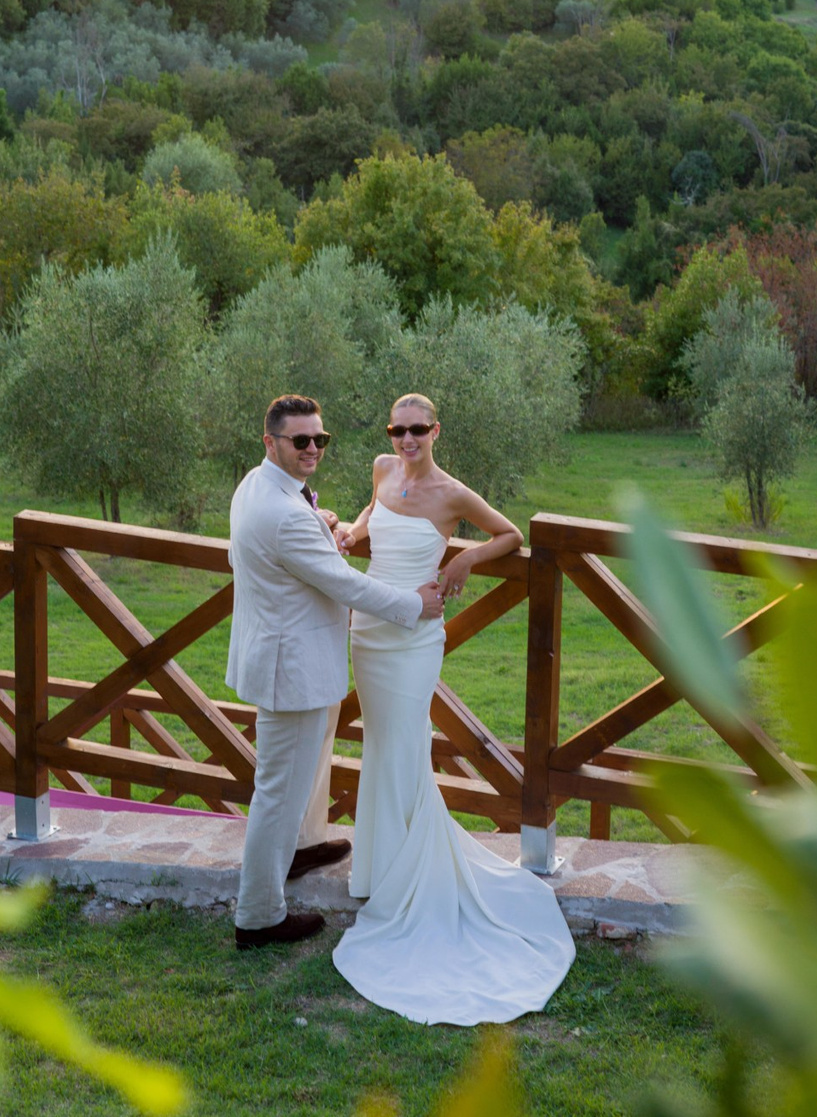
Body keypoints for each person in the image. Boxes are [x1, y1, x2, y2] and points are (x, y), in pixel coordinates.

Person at [323, 391, 577, 1023]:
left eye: (417, 430)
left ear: (435, 431)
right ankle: (380, 872)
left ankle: (412, 877)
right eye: (397, 429)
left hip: (415, 635)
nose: (406, 440)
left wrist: (465, 554)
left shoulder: (453, 493)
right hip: (369, 627)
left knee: (406, 741)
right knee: (381, 742)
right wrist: (353, 531)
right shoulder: (382, 469)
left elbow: (510, 534)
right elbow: (372, 511)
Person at [223, 392, 440, 951]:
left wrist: (317, 523)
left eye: (320, 438)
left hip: (279, 656)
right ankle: (258, 916)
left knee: (295, 775)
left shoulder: (255, 486)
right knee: (277, 790)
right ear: (270, 442)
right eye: (300, 440)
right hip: (291, 670)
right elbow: (345, 583)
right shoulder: (282, 514)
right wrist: (414, 604)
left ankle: (299, 849)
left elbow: (269, 544)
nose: (313, 448)